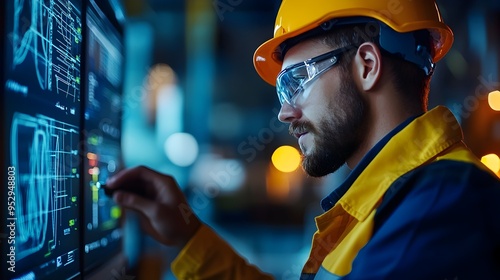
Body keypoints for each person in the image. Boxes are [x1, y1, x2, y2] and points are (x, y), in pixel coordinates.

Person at [107, 0, 500, 278]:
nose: (284, 112)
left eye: (297, 82)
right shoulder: (391, 202)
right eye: (282, 91)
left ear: (367, 66)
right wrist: (188, 235)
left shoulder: (443, 201)